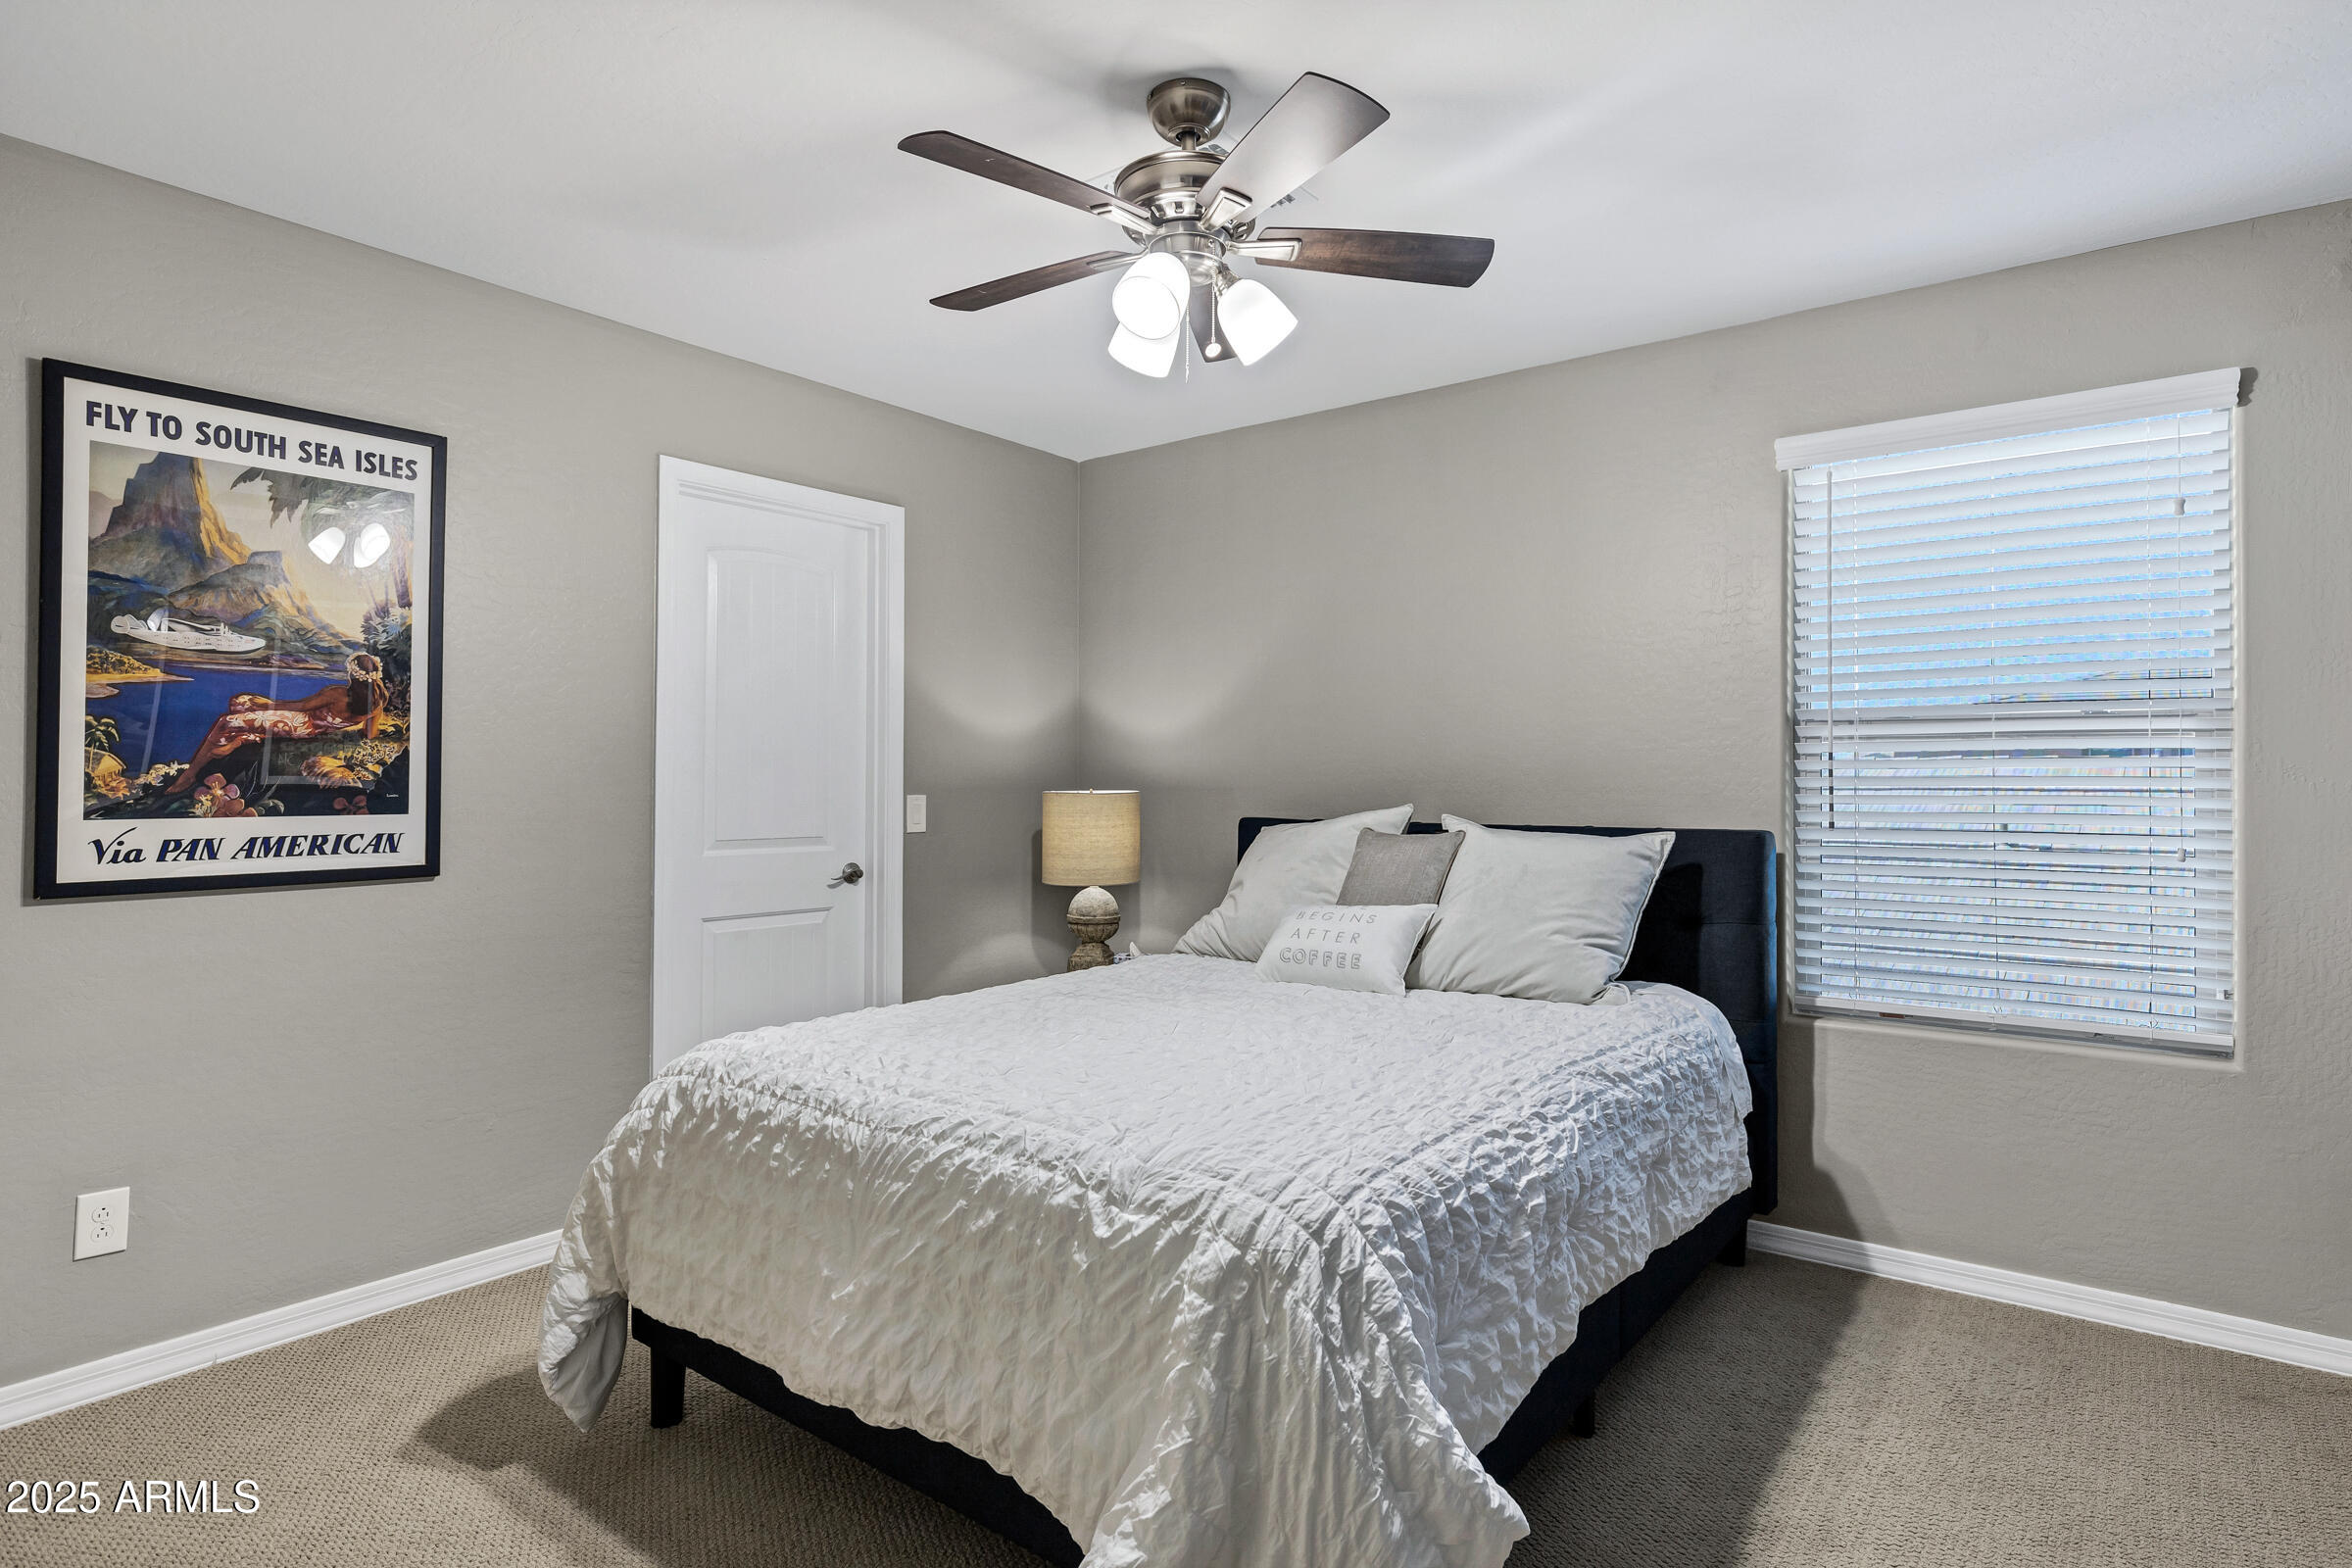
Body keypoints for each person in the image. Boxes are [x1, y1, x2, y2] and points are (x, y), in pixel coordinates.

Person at [166, 652, 390, 795]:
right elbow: (370, 734)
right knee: (240, 701)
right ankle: (241, 741)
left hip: (301, 724)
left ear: (352, 674)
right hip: (311, 727)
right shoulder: (378, 704)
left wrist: (266, 704)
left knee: (227, 721)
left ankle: (190, 775)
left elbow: (300, 707)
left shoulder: (337, 693)